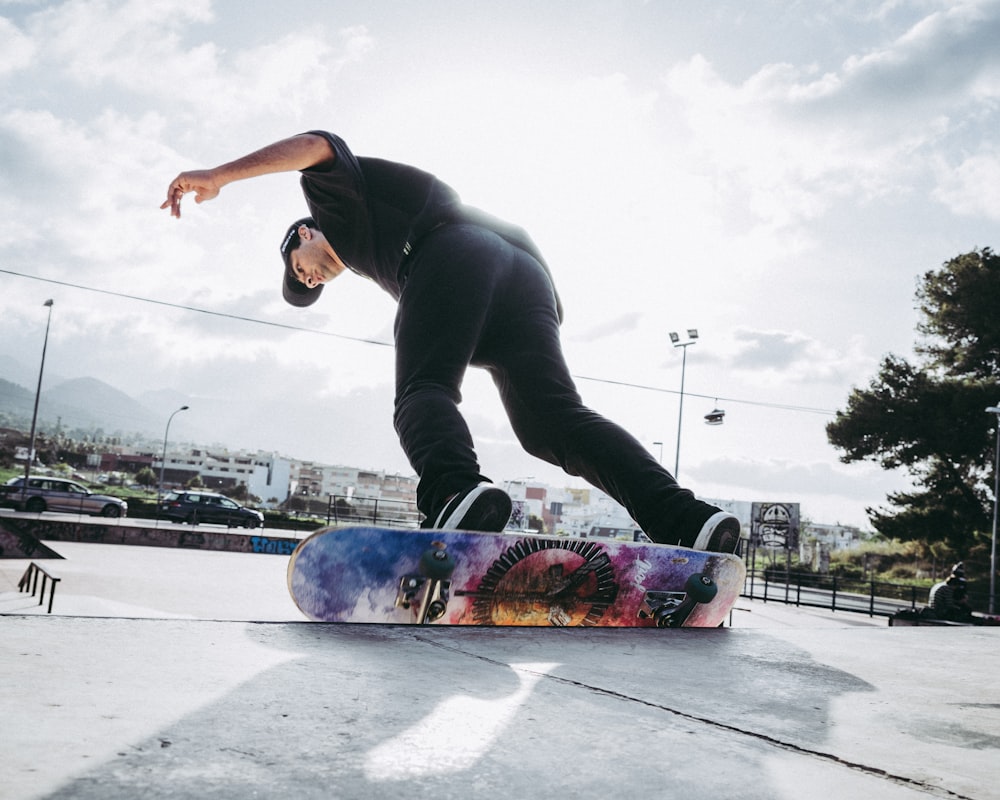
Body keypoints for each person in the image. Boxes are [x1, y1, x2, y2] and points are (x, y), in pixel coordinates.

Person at [161, 130, 740, 551]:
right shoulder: (373, 258)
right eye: (304, 284)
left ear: (304, 234)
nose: (308, 278)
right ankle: (687, 520)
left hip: (454, 251)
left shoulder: (335, 206)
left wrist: (220, 176)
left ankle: (457, 493)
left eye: (299, 267)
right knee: (553, 423)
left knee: (421, 388)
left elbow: (318, 143)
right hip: (527, 282)